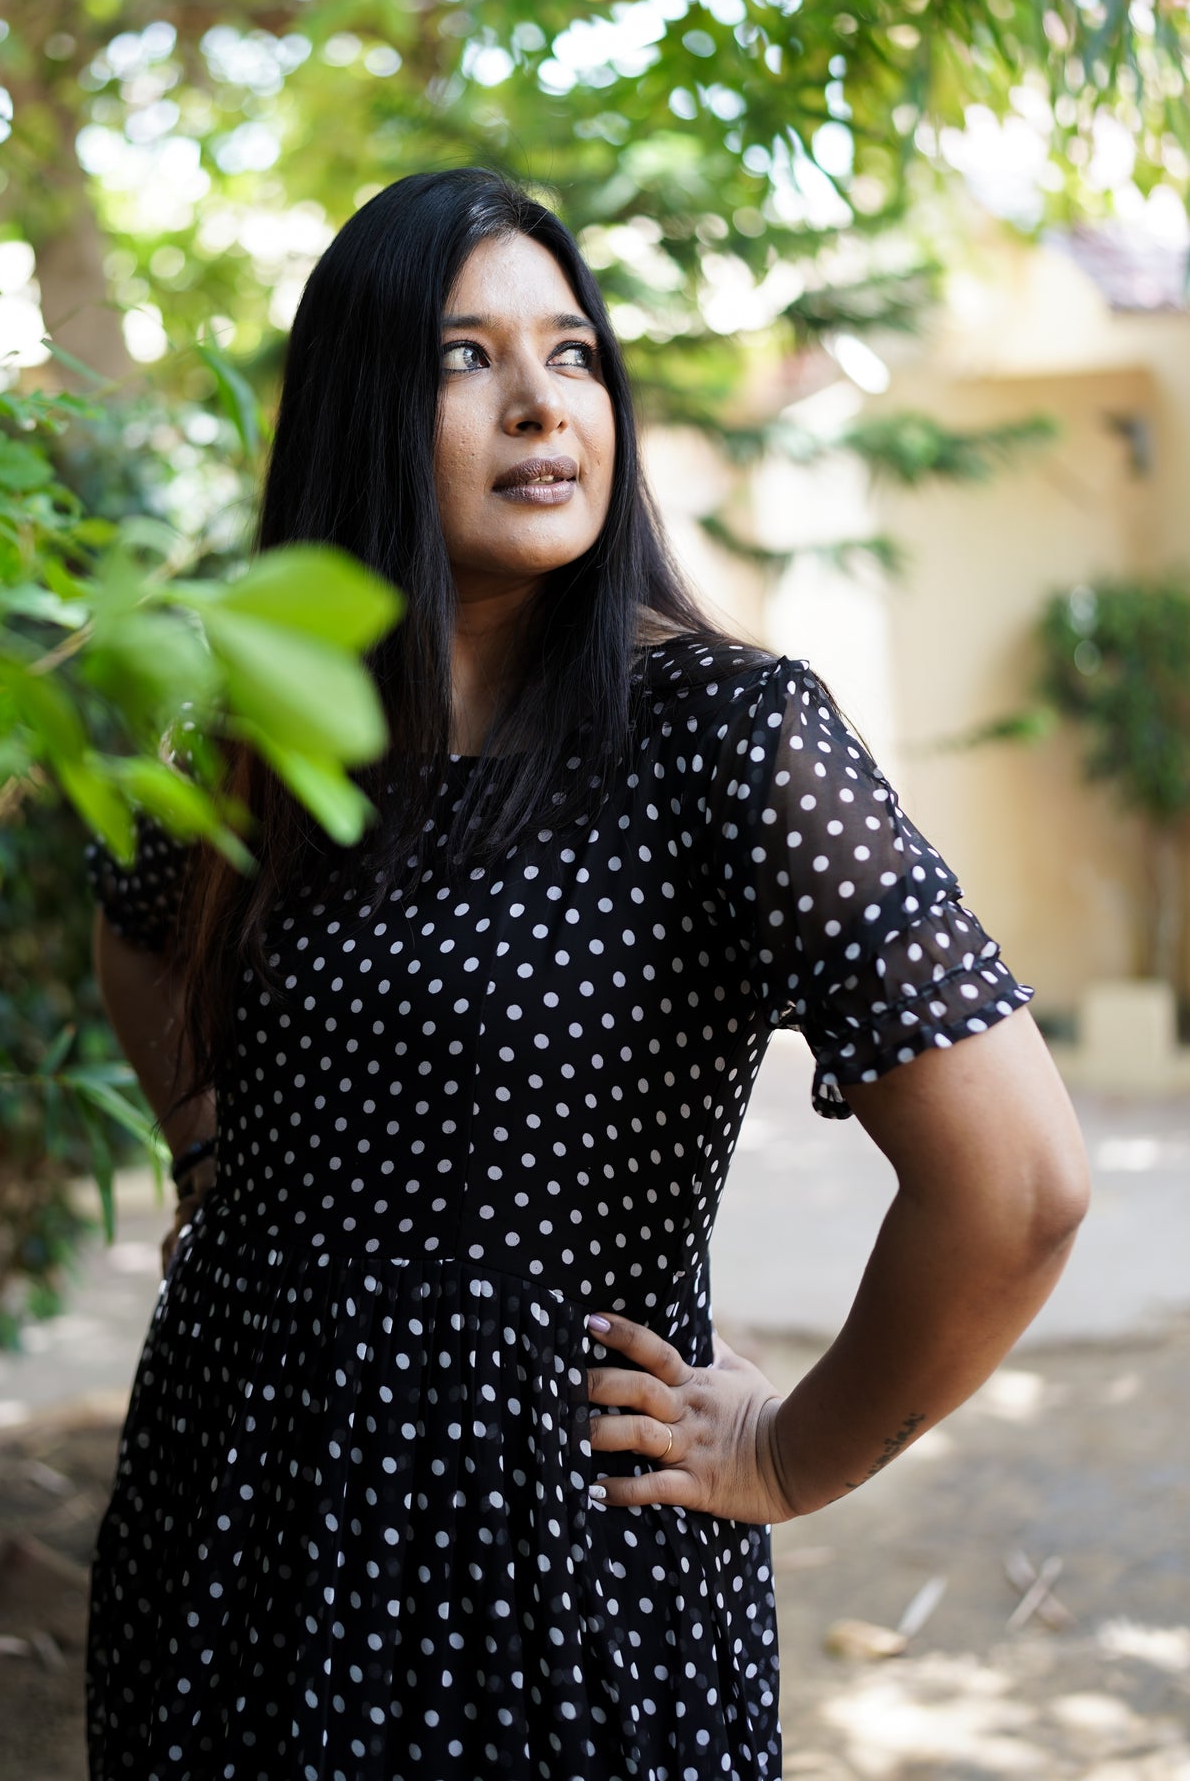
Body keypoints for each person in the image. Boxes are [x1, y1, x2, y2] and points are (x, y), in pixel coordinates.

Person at [84, 168, 1089, 1781]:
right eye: (465, 358)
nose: (544, 404)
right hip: (227, 1520)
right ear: (357, 409)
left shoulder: (727, 740)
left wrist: (793, 1451)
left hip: (553, 1568)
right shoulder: (252, 732)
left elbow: (1019, 1185)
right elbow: (139, 925)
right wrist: (207, 1149)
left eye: (574, 353)